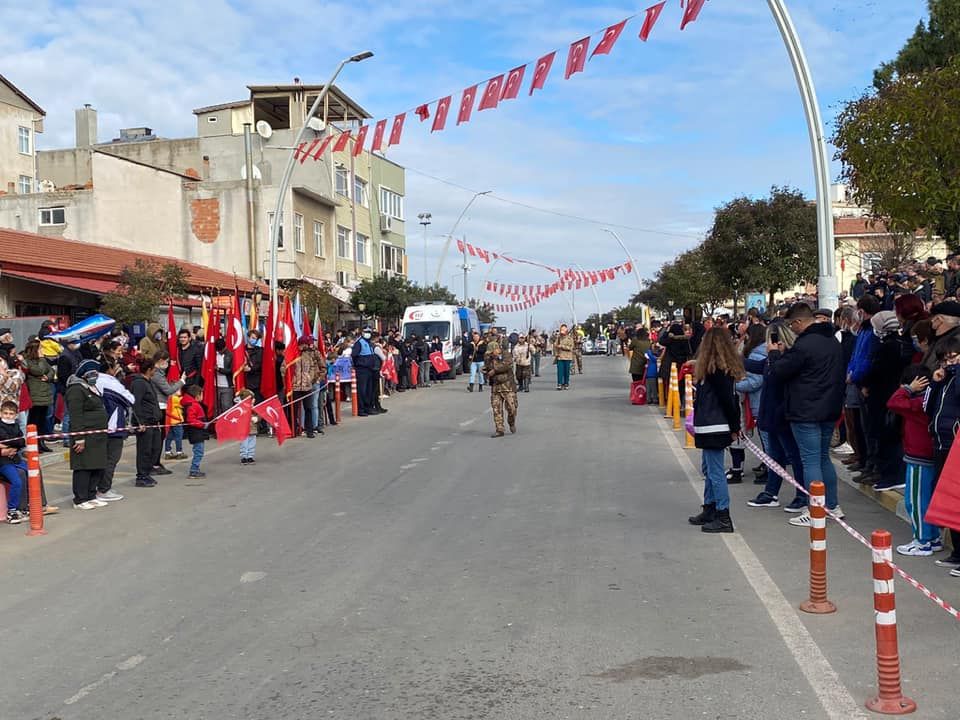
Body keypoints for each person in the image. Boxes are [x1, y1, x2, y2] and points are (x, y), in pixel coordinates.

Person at [769, 304, 847, 525]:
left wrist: (774, 354)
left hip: (805, 410)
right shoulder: (832, 341)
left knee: (810, 460)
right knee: (823, 458)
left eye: (791, 325)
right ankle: (832, 505)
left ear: (798, 322)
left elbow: (779, 371)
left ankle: (816, 510)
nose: (791, 329)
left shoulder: (803, 345)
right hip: (829, 408)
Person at [687, 328, 743, 534]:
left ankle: (723, 514)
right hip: (711, 425)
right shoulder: (715, 368)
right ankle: (710, 507)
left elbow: (729, 401)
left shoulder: (717, 370)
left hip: (714, 426)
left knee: (716, 472)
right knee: (709, 469)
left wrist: (735, 427)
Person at [887, 365, 941, 555]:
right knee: (927, 500)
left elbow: (893, 402)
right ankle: (932, 537)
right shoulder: (935, 398)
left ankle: (922, 541)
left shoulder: (918, 403)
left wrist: (908, 389)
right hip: (929, 455)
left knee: (916, 501)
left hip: (919, 458)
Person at [65, 359, 109, 509]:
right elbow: (75, 415)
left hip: (97, 436)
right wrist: (79, 438)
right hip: (85, 435)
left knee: (96, 465)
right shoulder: (76, 389)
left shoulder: (91, 387)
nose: (95, 376)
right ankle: (80, 499)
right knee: (84, 467)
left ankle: (91, 495)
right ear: (84, 374)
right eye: (92, 373)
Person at [95, 367, 133, 502]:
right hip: (113, 427)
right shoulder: (110, 387)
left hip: (106, 427)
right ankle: (103, 489)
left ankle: (101, 487)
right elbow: (129, 399)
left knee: (105, 459)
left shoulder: (96, 385)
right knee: (111, 459)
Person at [130, 358, 164, 488]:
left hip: (153, 421)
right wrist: (140, 422)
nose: (155, 371)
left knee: (154, 448)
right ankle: (141, 476)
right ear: (149, 370)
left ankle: (148, 472)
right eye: (154, 369)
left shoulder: (148, 382)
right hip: (145, 422)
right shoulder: (139, 383)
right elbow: (136, 403)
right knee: (144, 450)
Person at [22, 338, 54, 452]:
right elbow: (38, 371)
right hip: (35, 394)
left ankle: (41, 442)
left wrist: (48, 377)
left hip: (45, 393)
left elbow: (51, 371)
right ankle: (33, 443)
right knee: (34, 420)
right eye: (40, 348)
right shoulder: (28, 361)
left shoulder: (43, 361)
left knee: (42, 421)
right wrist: (41, 359)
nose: (42, 350)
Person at [483, 341, 518, 438]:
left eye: (492, 352)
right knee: (496, 409)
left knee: (512, 409)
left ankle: (511, 422)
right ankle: (499, 429)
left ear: (496, 349)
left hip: (508, 387)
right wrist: (485, 370)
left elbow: (506, 365)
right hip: (496, 387)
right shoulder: (488, 357)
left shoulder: (506, 354)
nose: (490, 354)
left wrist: (494, 370)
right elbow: (487, 367)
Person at [291, 334, 322, 437]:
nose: (307, 346)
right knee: (294, 409)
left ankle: (310, 430)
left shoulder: (308, 355)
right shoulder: (292, 354)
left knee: (308, 408)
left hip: (307, 386)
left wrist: (311, 378)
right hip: (295, 387)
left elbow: (312, 368)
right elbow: (285, 368)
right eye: (306, 344)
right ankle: (294, 430)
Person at [0, 401, 26, 523]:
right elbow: (9, 439)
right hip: (3, 462)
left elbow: (22, 442)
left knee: (34, 473)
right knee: (17, 481)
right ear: (1, 413)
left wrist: (9, 446)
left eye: (11, 414)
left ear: (16, 415)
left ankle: (29, 505)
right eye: (5, 413)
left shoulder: (16, 425)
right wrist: (14, 443)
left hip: (15, 458)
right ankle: (12, 510)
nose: (8, 416)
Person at [181, 385, 209, 478]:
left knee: (198, 451)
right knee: (199, 452)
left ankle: (195, 469)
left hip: (197, 431)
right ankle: (194, 470)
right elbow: (191, 420)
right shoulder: (193, 405)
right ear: (197, 395)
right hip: (196, 432)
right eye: (202, 394)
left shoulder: (192, 404)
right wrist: (202, 424)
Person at [351, 328, 379, 417]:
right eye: (366, 332)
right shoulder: (359, 343)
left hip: (369, 369)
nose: (368, 334)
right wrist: (360, 363)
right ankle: (361, 409)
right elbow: (354, 355)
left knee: (368, 390)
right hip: (362, 369)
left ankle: (368, 408)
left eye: (369, 332)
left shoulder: (369, 343)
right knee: (362, 390)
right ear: (362, 333)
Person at [235, 388, 259, 464]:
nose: (254, 400)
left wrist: (257, 418)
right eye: (252, 398)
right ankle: (244, 456)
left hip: (253, 429)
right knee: (244, 444)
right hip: (243, 430)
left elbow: (259, 414)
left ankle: (250, 456)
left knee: (252, 443)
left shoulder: (254, 407)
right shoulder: (240, 408)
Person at [554, 324, 575, 390]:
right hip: (560, 357)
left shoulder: (570, 339)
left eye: (563, 330)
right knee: (560, 372)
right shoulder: (558, 338)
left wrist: (562, 346)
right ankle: (559, 384)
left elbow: (571, 348)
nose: (562, 331)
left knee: (566, 372)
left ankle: (566, 383)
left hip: (567, 357)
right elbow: (555, 346)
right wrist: (556, 353)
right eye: (561, 329)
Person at [645, 340, 661, 405]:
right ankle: (654, 399)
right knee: (653, 387)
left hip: (649, 373)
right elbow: (655, 359)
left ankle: (649, 399)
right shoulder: (650, 354)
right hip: (652, 373)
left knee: (649, 387)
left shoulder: (648, 354)